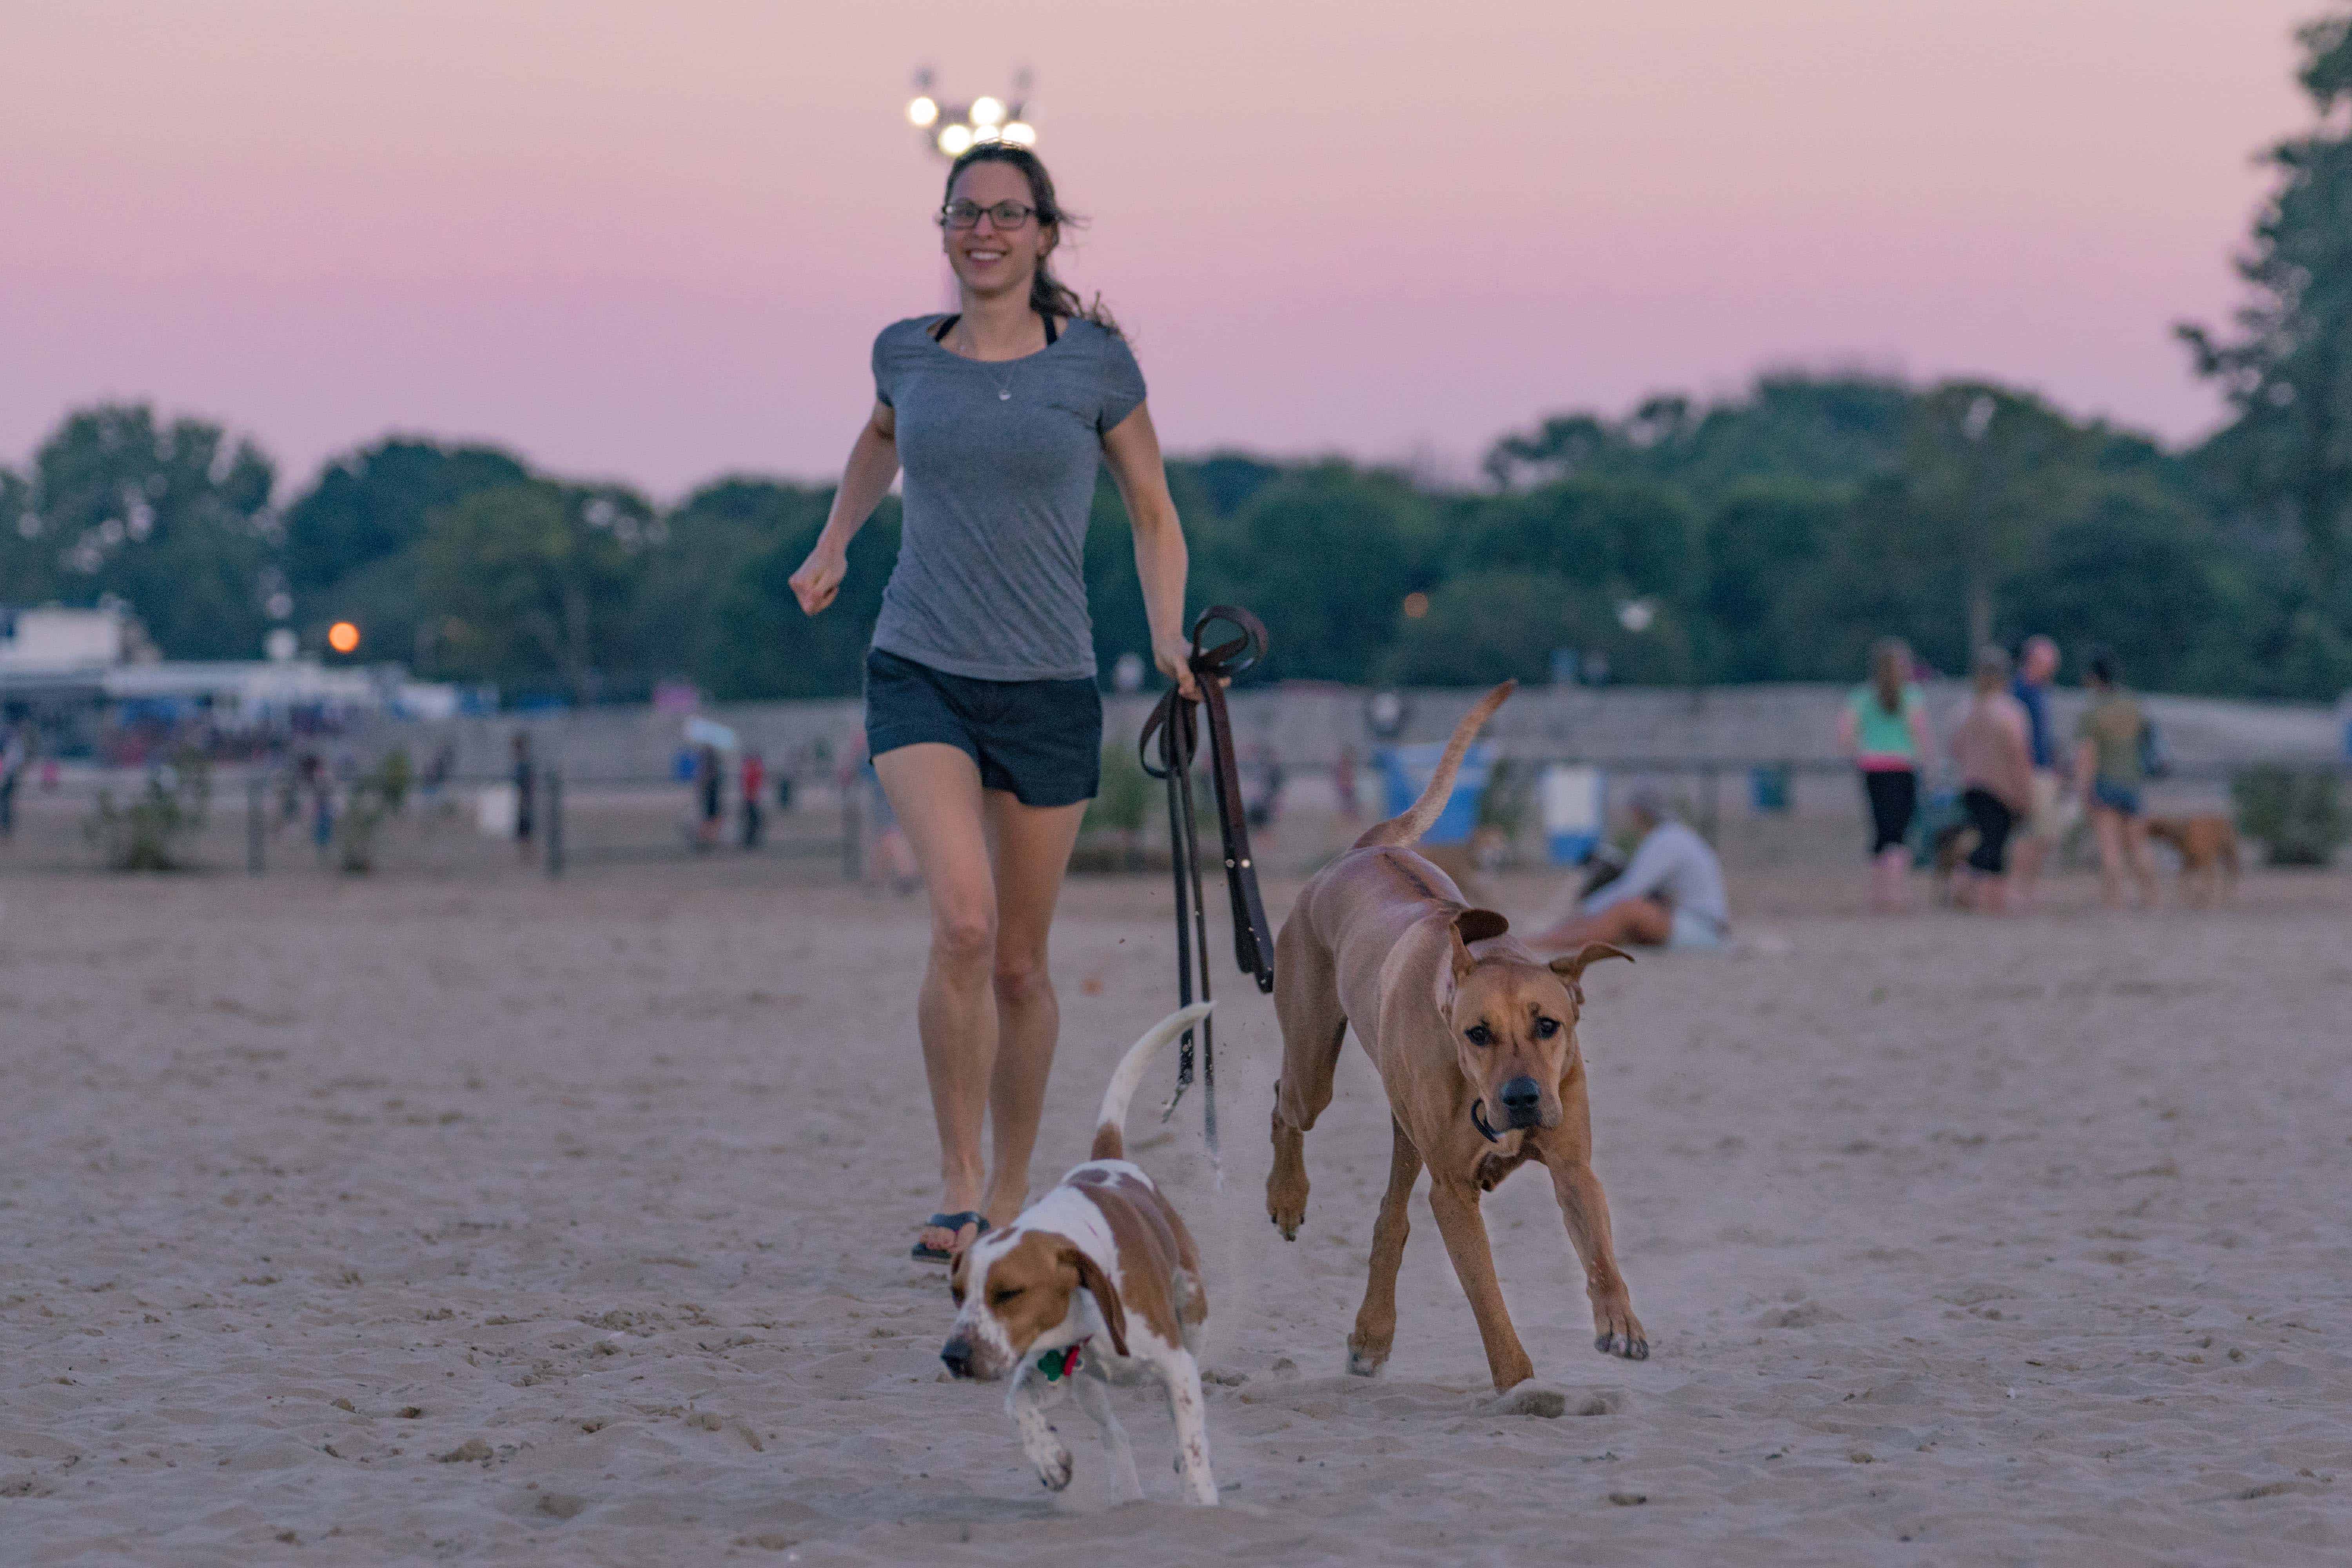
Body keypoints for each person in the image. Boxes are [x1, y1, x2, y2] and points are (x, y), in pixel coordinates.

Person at [786, 141, 1197, 1263]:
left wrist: (1166, 632)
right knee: (961, 926)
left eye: (1008, 215)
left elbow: (1154, 514)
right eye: (966, 212)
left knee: (1020, 963)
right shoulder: (906, 354)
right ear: (946, 228)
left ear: (1045, 234)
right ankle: (959, 1185)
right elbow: (879, 445)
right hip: (920, 666)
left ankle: (1014, 1188)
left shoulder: (1095, 366)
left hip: (1051, 686)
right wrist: (835, 545)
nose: (985, 230)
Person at [1528, 788, 1729, 952]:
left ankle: (1540, 943)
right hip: (1692, 923)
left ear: (1638, 812)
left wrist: (1590, 909)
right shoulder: (1672, 836)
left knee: (1626, 910)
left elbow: (1632, 890)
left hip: (1701, 929)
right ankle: (1544, 940)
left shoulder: (1666, 840)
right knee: (1614, 918)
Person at [1836, 638, 1935, 912]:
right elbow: (1920, 735)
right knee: (1900, 833)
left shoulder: (1860, 696)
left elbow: (1845, 736)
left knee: (1880, 832)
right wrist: (1928, 766)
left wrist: (1865, 751)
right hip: (1903, 767)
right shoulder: (1912, 696)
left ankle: (1878, 897)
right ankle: (1897, 896)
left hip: (1873, 768)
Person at [1947, 646, 2035, 914]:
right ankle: (1987, 897)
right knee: (1996, 845)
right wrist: (2026, 793)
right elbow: (2019, 755)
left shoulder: (1966, 709)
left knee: (1986, 839)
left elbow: (1956, 748)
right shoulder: (2010, 711)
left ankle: (1982, 895)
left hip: (1972, 786)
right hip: (2002, 789)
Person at [2074, 648, 2160, 909]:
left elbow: (2087, 755)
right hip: (2132, 783)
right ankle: (2152, 898)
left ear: (2094, 678)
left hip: (2105, 783)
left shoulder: (2093, 712)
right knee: (2139, 845)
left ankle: (2114, 901)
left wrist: (2084, 791)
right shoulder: (2134, 704)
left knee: (2110, 848)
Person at [2007, 634, 2064, 907]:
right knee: (2035, 832)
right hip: (2029, 771)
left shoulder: (2039, 692)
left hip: (2042, 770)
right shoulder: (2020, 691)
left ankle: (2026, 886)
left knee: (2043, 833)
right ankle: (2019, 889)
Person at [510, 731, 535, 861]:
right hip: (520, 799)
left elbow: (529, 783)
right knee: (522, 829)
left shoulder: (524, 764)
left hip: (524, 800)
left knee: (525, 829)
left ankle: (528, 856)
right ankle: (525, 855)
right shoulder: (519, 764)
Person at [739, 749, 766, 849]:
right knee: (752, 821)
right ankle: (750, 840)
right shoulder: (751, 770)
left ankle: (751, 839)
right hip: (751, 799)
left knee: (753, 821)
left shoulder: (751, 769)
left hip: (752, 799)